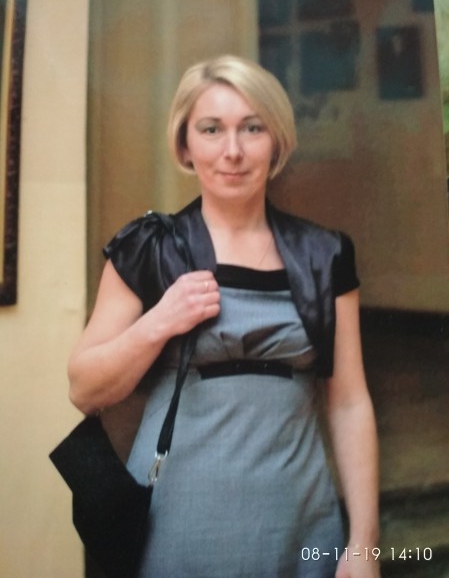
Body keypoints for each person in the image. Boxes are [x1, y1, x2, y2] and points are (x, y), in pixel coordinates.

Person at [68, 55, 380, 578]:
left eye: (252, 128)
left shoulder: (324, 254)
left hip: (300, 521)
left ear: (276, 141)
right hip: (176, 521)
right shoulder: (149, 248)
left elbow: (349, 402)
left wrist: (365, 542)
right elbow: (84, 389)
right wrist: (160, 321)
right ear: (185, 145)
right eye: (211, 129)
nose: (232, 151)